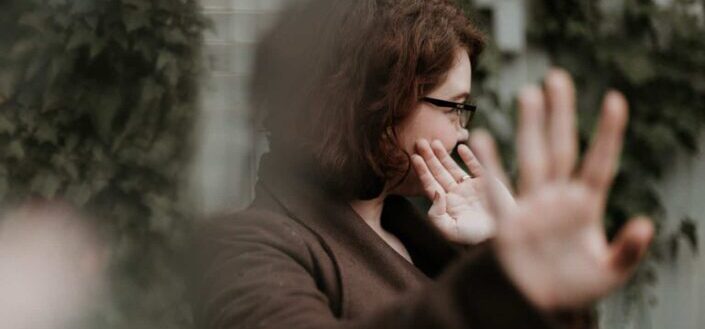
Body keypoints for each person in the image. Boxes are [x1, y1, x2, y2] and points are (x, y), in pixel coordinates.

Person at [191, 0, 654, 328]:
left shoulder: (435, 241)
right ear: (374, 104)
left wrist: (503, 249)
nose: (463, 129)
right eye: (453, 106)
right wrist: (503, 279)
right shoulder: (245, 252)